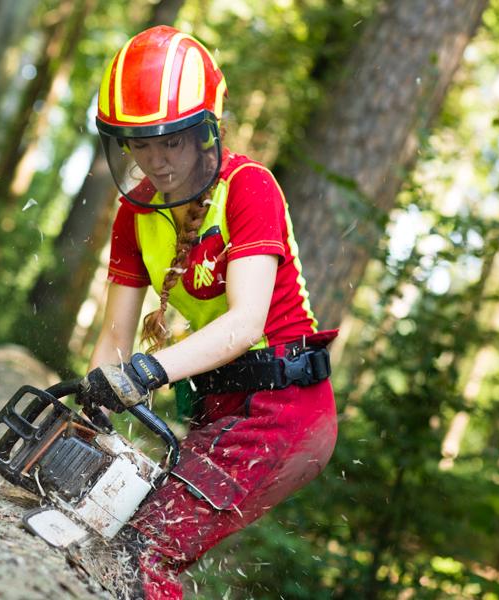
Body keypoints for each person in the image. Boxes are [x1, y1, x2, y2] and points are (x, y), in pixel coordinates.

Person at [76, 25, 339, 599]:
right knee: (111, 528)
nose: (155, 159)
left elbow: (246, 323)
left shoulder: (248, 188)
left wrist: (149, 372)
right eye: (140, 144)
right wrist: (95, 404)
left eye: (169, 142)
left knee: (144, 552)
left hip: (283, 408)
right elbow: (116, 333)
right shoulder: (136, 212)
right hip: (221, 407)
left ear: (205, 133)